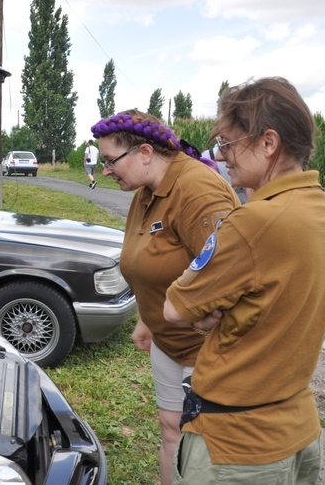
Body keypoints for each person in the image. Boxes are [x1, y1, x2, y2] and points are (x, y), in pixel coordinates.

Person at [163, 77, 325, 484]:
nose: (223, 157)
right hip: (298, 427)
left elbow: (175, 306)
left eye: (228, 143)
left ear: (268, 143)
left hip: (237, 447)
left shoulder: (254, 223)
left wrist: (205, 314)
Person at [90, 110, 240, 485]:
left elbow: (229, 274)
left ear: (144, 152)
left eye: (110, 160)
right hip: (168, 343)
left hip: (207, 352)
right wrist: (148, 317)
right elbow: (153, 263)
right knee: (171, 430)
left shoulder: (197, 190)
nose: (106, 170)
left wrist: (191, 317)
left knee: (204, 448)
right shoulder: (146, 192)